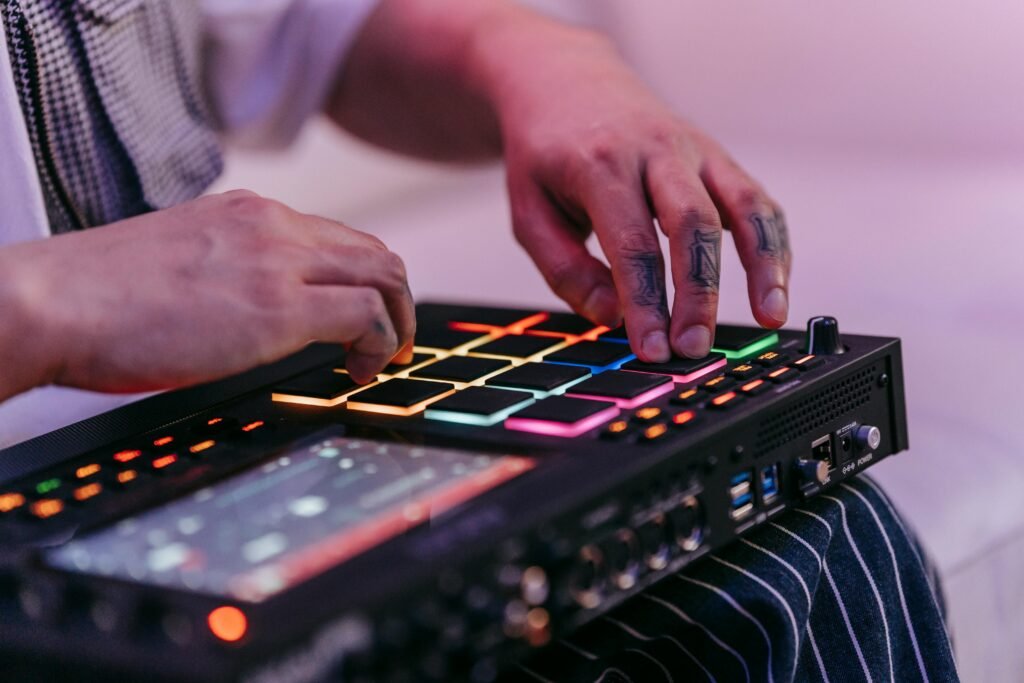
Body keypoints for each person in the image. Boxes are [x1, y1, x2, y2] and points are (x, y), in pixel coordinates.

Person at [0, 1, 956, 680]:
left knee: (814, 545)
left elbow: (297, 26)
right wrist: (39, 308)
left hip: (191, 428)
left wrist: (536, 60)